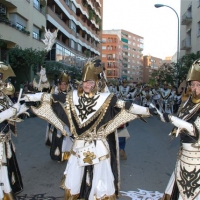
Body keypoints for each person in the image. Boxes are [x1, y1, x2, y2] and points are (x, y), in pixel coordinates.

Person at [20, 58, 154, 200]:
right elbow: (51, 97)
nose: (86, 85)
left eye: (90, 82)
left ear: (96, 83)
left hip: (98, 145)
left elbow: (126, 106)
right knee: (76, 176)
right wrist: (30, 96)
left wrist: (149, 111)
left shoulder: (107, 99)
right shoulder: (73, 97)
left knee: (99, 178)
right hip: (79, 144)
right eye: (84, 82)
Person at [157, 58, 200, 200]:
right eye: (193, 84)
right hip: (184, 156)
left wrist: (173, 119)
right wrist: (166, 118)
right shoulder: (188, 101)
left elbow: (194, 130)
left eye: (199, 85)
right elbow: (180, 122)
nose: (196, 88)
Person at [0, 62, 29, 200]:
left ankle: (6, 192)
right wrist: (12, 110)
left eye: (1, 78)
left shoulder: (4, 97)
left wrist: (19, 110)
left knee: (5, 166)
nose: (1, 81)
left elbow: (11, 114)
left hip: (5, 137)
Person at [45, 72, 73, 162]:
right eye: (61, 84)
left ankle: (65, 155)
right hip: (57, 120)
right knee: (57, 137)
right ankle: (56, 156)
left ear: (67, 85)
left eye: (65, 84)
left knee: (67, 138)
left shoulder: (71, 95)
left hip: (67, 121)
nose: (63, 86)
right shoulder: (55, 95)